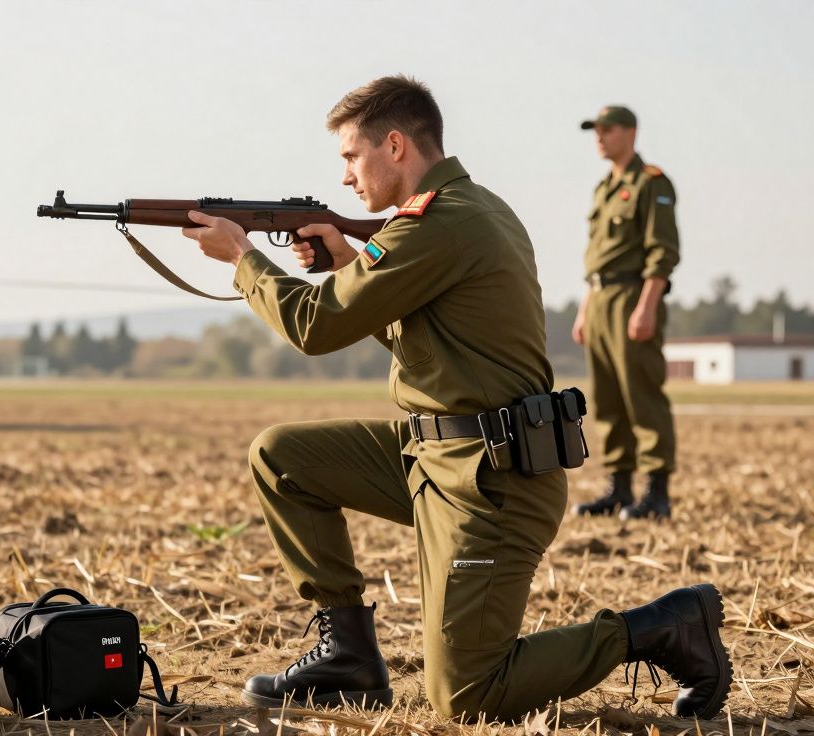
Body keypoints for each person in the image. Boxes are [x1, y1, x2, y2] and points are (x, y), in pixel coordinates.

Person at [179, 76, 728, 721]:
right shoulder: (468, 211)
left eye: (351, 159)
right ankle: (349, 658)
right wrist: (348, 265)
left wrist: (244, 258)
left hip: (492, 483)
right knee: (282, 456)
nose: (347, 179)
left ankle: (660, 628)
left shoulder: (442, 223)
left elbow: (316, 327)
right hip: (434, 456)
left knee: (467, 695)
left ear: (394, 145)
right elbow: (427, 340)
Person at [571, 105, 680, 521]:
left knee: (642, 394)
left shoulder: (651, 183)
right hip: (599, 300)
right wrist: (585, 311)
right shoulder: (604, 188)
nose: (599, 137)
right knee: (606, 398)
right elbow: (596, 260)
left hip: (633, 297)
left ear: (631, 133)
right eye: (595, 130)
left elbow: (662, 252)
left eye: (607, 130)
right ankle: (618, 489)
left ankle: (657, 493)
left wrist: (647, 307)